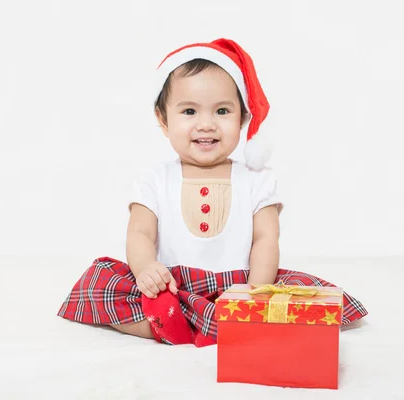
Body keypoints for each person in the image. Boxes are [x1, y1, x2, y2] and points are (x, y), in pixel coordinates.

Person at [57, 38, 368, 346]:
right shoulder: (155, 179)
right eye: (189, 112)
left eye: (222, 111)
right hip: (172, 290)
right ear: (163, 120)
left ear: (243, 118)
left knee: (299, 298)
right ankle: (172, 324)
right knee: (102, 286)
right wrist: (146, 269)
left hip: (240, 286)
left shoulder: (256, 180)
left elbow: (265, 239)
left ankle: (221, 323)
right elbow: (139, 233)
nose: (206, 124)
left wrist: (254, 292)